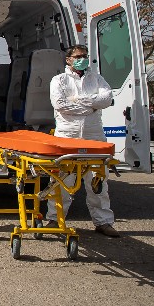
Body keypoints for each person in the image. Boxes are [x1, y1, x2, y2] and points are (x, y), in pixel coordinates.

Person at [45, 45, 119, 237]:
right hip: (67, 136)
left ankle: (103, 222)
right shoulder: (59, 80)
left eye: (84, 56)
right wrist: (91, 106)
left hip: (94, 136)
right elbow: (60, 105)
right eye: (78, 56)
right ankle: (54, 219)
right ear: (68, 59)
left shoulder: (96, 78)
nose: (82, 59)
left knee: (97, 181)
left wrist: (78, 100)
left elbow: (106, 99)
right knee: (61, 180)